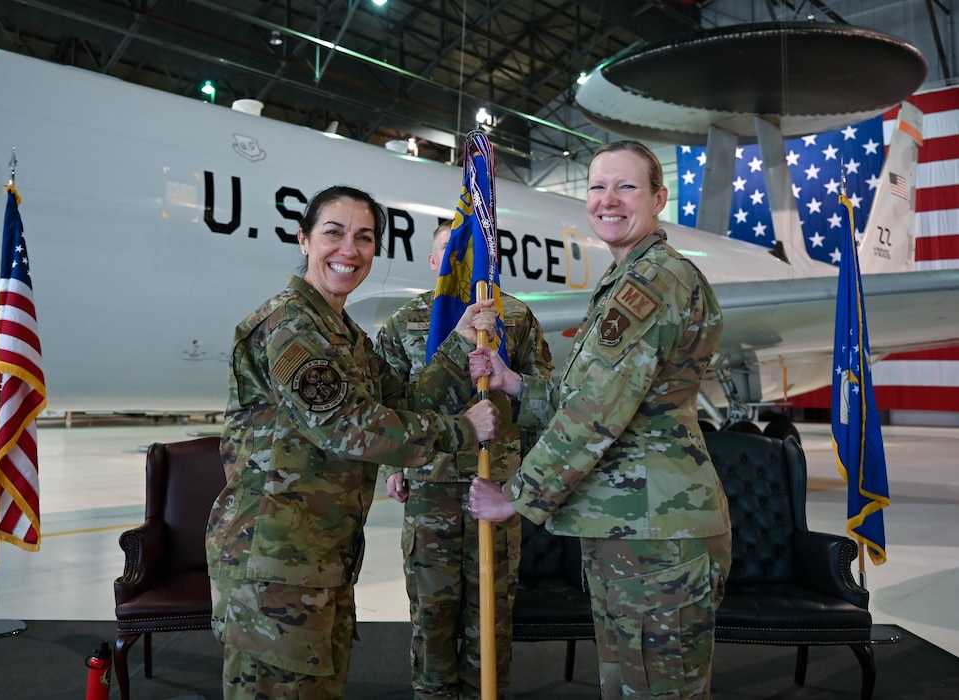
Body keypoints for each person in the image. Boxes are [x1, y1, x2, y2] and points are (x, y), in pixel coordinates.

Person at [206, 185, 501, 700]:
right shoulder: (290, 325)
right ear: (303, 239)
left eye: (364, 238)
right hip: (276, 563)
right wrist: (464, 430)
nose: (350, 250)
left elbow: (404, 398)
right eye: (333, 233)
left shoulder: (342, 332)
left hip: (319, 555)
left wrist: (457, 342)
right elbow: (349, 427)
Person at [468, 141, 731, 700]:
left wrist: (516, 496)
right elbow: (588, 392)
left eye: (626, 187)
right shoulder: (625, 278)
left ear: (659, 198)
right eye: (596, 187)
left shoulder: (653, 282)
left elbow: (597, 410)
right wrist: (515, 383)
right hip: (629, 527)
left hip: (655, 533)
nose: (607, 200)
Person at [376, 219, 554, 700]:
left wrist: (532, 476)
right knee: (432, 613)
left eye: (474, 255)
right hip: (429, 487)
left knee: (490, 614)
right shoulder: (403, 323)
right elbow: (389, 404)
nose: (463, 263)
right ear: (435, 262)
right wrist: (393, 466)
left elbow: (544, 400)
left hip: (493, 487)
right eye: (451, 254)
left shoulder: (515, 318)